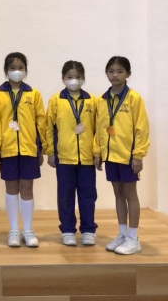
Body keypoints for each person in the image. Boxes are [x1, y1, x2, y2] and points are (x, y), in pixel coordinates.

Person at [95, 56, 150, 255]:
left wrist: (138, 155)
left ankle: (133, 238)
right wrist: (98, 152)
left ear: (128, 74)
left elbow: (141, 128)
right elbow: (99, 128)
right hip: (111, 156)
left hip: (128, 157)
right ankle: (122, 233)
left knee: (130, 194)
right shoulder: (102, 99)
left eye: (119, 71)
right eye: (111, 71)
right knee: (118, 194)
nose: (115, 75)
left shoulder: (134, 98)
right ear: (106, 73)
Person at [46, 60, 100, 246]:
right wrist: (50, 152)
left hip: (86, 158)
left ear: (83, 78)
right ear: (63, 78)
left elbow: (98, 129)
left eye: (78, 77)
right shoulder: (56, 100)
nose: (74, 80)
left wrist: (97, 152)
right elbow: (49, 128)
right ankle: (68, 230)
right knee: (65, 196)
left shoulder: (92, 100)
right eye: (69, 77)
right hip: (64, 157)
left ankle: (88, 230)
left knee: (88, 196)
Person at [0, 52, 47, 247]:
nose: (16, 71)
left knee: (27, 188)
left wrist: (40, 148)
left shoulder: (33, 94)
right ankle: (13, 230)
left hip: (28, 149)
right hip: (7, 149)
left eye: (20, 68)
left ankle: (27, 229)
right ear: (6, 70)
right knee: (11, 189)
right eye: (12, 68)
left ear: (26, 70)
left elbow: (40, 122)